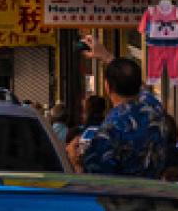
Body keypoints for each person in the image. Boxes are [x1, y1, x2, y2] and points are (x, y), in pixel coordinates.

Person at [68, 37, 168, 178]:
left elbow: (95, 181)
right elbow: (139, 86)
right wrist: (107, 56)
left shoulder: (110, 129)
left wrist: (74, 162)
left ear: (107, 87)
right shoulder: (153, 108)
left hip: (123, 198)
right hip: (156, 194)